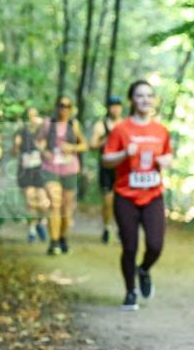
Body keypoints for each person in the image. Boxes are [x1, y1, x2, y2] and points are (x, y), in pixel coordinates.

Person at [101, 81, 173, 311]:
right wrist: (123, 153)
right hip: (125, 195)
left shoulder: (161, 130)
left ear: (153, 100)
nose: (144, 100)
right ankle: (130, 291)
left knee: (155, 245)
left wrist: (166, 161)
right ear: (131, 100)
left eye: (148, 96)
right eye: (139, 96)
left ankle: (144, 270)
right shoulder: (121, 129)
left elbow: (169, 156)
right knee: (129, 247)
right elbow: (106, 159)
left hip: (153, 195)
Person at [38, 95, 87, 255]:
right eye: (61, 105)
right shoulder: (47, 123)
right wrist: (44, 152)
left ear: (71, 109)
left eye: (67, 106)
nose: (64, 109)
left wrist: (71, 147)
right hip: (50, 168)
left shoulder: (74, 125)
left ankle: (63, 237)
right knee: (54, 203)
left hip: (69, 169)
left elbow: (84, 145)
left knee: (66, 207)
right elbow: (37, 142)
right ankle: (53, 242)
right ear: (56, 107)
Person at [89, 96, 125, 244]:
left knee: (122, 201)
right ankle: (107, 227)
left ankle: (122, 228)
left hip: (123, 167)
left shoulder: (126, 124)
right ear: (108, 108)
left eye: (118, 106)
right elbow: (92, 145)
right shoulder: (100, 125)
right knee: (108, 200)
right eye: (112, 106)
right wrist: (107, 139)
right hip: (106, 167)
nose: (115, 109)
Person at [14, 106, 49, 243]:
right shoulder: (21, 131)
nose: (32, 118)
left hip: (39, 170)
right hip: (25, 170)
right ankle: (32, 231)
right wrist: (16, 146)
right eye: (30, 116)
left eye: (35, 115)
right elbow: (15, 151)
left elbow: (47, 150)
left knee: (43, 202)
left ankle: (41, 221)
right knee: (30, 200)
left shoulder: (43, 132)